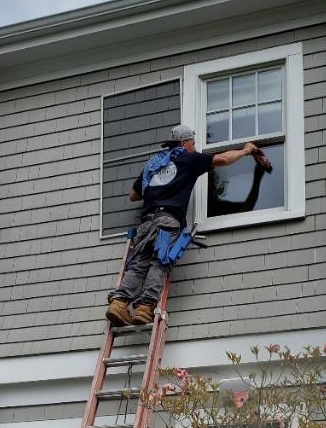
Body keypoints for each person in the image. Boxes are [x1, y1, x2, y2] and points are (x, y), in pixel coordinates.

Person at [105, 124, 264, 327]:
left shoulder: (153, 164)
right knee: (160, 262)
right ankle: (144, 308)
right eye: (193, 143)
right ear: (183, 143)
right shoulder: (188, 159)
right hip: (168, 219)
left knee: (139, 263)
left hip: (146, 221)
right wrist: (245, 150)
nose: (195, 147)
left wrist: (159, 184)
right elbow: (223, 159)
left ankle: (118, 303)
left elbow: (134, 195)